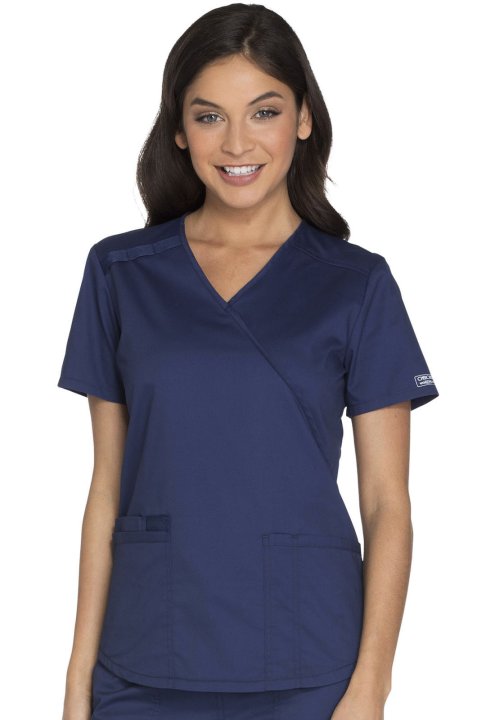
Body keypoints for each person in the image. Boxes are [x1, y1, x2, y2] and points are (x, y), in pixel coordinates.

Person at [58, 4, 439, 720]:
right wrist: (78, 681)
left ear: (304, 118)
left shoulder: (357, 284)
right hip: (144, 660)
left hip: (309, 662)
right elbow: (106, 488)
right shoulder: (120, 273)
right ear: (178, 129)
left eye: (264, 112)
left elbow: (387, 504)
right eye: (209, 116)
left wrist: (371, 688)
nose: (237, 142)